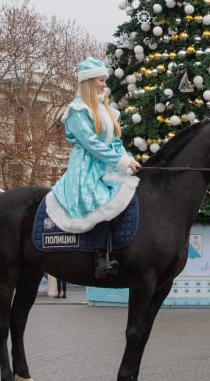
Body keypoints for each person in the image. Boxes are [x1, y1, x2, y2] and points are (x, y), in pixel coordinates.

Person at [44, 57, 141, 278]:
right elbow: (92, 144)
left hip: (109, 165)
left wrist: (127, 159)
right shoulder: (78, 111)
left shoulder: (106, 110)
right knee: (103, 201)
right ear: (89, 82)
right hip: (87, 168)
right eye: (101, 80)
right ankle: (99, 255)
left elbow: (115, 142)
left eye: (105, 80)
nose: (105, 85)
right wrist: (120, 161)